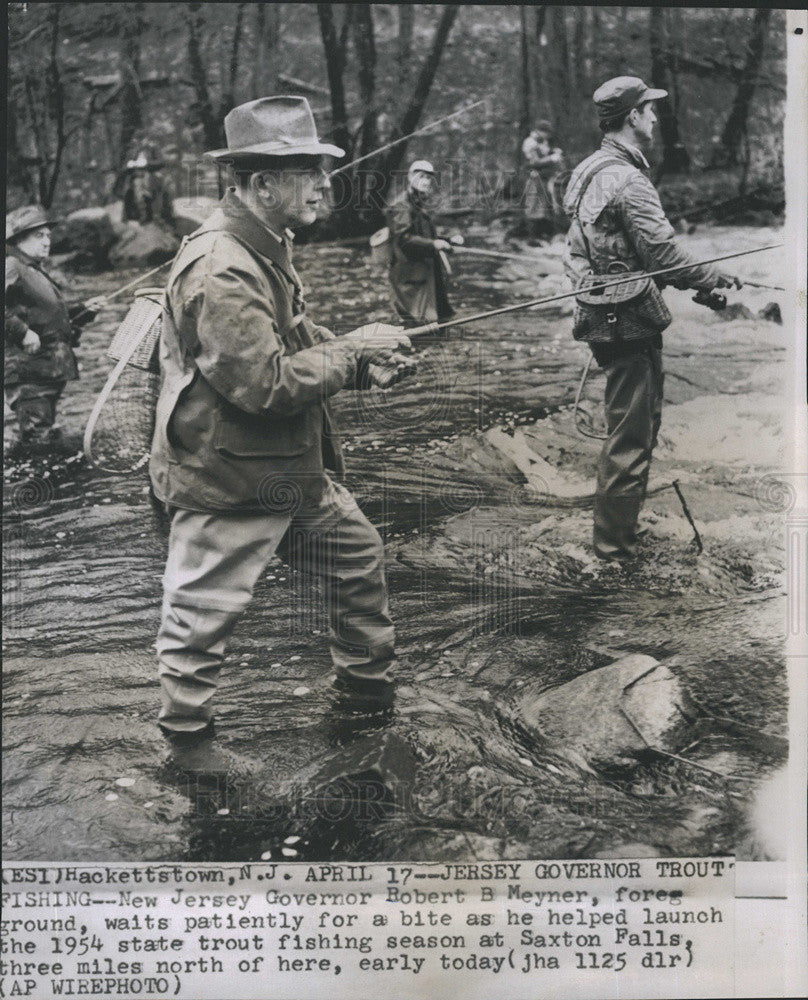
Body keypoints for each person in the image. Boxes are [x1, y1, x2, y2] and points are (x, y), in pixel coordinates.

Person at [149, 96, 415, 775]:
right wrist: (355, 349)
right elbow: (262, 385)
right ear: (262, 184)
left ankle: (364, 702)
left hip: (285, 468)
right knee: (199, 617)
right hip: (226, 475)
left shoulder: (263, 244)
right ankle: (186, 745)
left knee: (356, 555)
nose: (327, 184)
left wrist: (361, 366)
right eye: (309, 172)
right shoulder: (224, 265)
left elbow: (292, 344)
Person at [563, 77, 741, 563]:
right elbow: (664, 254)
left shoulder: (586, 171)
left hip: (606, 319)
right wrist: (712, 275)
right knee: (631, 439)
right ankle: (614, 553)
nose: (657, 117)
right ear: (632, 118)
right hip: (627, 324)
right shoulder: (628, 180)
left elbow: (590, 252)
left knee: (631, 432)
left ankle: (617, 539)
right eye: (649, 109)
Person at [5, 205, 98, 453]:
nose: (47, 242)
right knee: (38, 442)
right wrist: (22, 332)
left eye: (48, 235)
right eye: (39, 236)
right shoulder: (12, 264)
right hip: (27, 374)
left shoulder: (33, 270)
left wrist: (82, 311)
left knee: (42, 438)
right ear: (18, 239)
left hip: (45, 371)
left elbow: (46, 318)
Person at [385, 160, 456, 327]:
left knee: (436, 323)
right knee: (417, 325)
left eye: (429, 178)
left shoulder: (419, 203)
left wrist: (448, 240)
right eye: (422, 176)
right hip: (410, 276)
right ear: (410, 177)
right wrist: (433, 245)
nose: (426, 181)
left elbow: (426, 235)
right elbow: (404, 240)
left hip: (426, 274)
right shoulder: (401, 205)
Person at [522, 122, 565, 243]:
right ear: (540, 131)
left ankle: (543, 235)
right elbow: (533, 162)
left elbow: (545, 154)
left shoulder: (542, 142)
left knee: (545, 207)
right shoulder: (530, 143)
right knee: (533, 205)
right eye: (547, 133)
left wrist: (553, 152)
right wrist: (551, 158)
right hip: (533, 177)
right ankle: (532, 237)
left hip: (544, 178)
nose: (548, 136)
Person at [119, 151, 176, 229]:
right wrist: (131, 165)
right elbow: (125, 168)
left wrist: (147, 164)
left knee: (156, 186)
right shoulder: (131, 151)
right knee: (133, 189)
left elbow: (161, 163)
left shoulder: (152, 149)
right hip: (136, 177)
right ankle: (141, 216)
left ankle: (157, 216)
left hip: (150, 175)